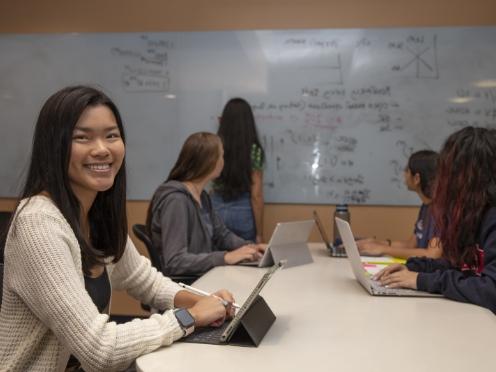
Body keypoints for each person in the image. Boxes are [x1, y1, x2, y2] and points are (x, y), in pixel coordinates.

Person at [0, 86, 234, 371]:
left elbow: (144, 280)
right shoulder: (38, 224)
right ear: (54, 146)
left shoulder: (96, 215)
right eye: (82, 137)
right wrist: (190, 317)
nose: (102, 149)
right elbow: (101, 350)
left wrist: (208, 302)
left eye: (111, 135)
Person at [374, 127, 496, 313]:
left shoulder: (491, 216)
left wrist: (421, 280)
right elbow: (461, 266)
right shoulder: (474, 212)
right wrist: (414, 267)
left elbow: (490, 290)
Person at [146, 132, 265, 277]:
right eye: (221, 155)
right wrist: (225, 257)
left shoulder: (202, 196)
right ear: (210, 161)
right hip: (189, 283)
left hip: (204, 276)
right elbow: (175, 261)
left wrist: (253, 248)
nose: (223, 160)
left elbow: (222, 235)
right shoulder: (176, 201)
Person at [357, 150, 442, 259]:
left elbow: (432, 255)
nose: (404, 174)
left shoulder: (442, 210)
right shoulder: (426, 206)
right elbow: (411, 245)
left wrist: (383, 249)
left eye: (407, 170)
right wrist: (377, 243)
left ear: (417, 178)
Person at [211, 98, 265, 243]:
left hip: (216, 208)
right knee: (247, 258)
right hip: (243, 211)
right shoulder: (254, 150)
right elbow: (256, 195)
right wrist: (259, 234)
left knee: (219, 258)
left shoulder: (215, 146)